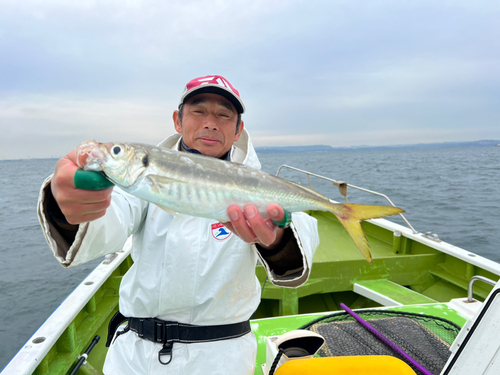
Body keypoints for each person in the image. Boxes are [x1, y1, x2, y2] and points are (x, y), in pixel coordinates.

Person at [37, 75, 319, 374]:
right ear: (177, 120)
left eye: (224, 115)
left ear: (238, 130)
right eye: (198, 110)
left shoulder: (259, 184)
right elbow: (108, 224)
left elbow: (300, 236)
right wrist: (67, 206)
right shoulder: (144, 174)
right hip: (134, 356)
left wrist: (277, 240)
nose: (210, 123)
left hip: (222, 358)